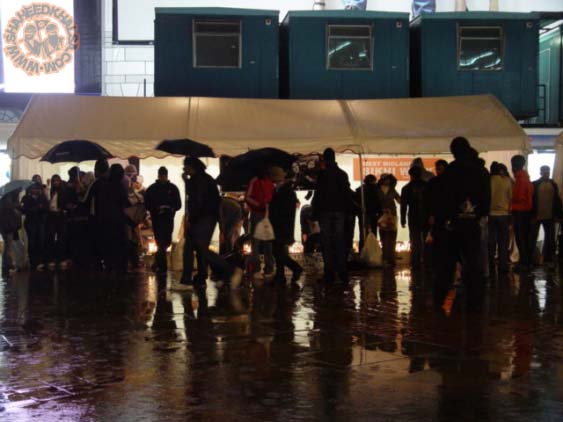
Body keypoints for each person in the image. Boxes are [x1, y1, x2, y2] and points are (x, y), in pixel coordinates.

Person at [438, 137, 490, 309]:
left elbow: (444, 198)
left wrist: (447, 217)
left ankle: (441, 299)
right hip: (472, 222)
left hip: (454, 224)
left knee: (449, 263)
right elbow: (486, 199)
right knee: (473, 261)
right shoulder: (480, 171)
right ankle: (475, 300)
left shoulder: (451, 171)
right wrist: (478, 213)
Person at [180, 157, 241, 286]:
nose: (184, 169)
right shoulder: (203, 179)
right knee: (196, 247)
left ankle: (226, 268)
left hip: (203, 218)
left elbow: (198, 201)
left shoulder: (200, 180)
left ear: (192, 167)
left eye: (186, 166)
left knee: (198, 248)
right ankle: (199, 276)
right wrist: (186, 182)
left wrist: (192, 219)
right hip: (205, 218)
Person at [312, 148, 354, 283]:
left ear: (324, 159)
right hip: (339, 211)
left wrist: (314, 214)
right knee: (339, 242)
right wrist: (349, 211)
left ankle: (329, 273)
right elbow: (347, 194)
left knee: (327, 243)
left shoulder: (322, 175)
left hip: (325, 211)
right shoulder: (342, 174)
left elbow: (318, 195)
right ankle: (342, 273)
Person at [269, 166, 303, 284]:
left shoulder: (285, 191)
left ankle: (295, 268)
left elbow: (281, 210)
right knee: (279, 251)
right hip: (282, 225)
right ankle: (280, 275)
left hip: (281, 225)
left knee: (277, 251)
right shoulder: (284, 190)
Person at [145, 166, 181, 273]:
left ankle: (158, 264)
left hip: (166, 219)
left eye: (163, 175)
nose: (163, 177)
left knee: (165, 242)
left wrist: (169, 209)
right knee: (162, 242)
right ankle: (162, 266)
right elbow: (147, 204)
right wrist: (158, 209)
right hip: (159, 219)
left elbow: (178, 204)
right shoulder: (155, 189)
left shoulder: (168, 188)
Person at [245, 165, 275, 277]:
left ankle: (264, 268)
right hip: (260, 214)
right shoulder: (260, 181)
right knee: (261, 242)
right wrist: (260, 205)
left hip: (263, 214)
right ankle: (262, 268)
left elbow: (248, 197)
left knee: (262, 242)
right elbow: (247, 197)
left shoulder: (266, 181)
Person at [531, 165, 562, 266]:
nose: (547, 173)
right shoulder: (536, 184)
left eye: (548, 172)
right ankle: (535, 258)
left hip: (548, 215)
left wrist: (558, 214)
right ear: (541, 172)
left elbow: (557, 200)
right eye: (545, 172)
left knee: (549, 238)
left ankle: (546, 258)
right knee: (534, 237)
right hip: (538, 215)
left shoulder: (552, 184)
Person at [103, 164, 131, 273]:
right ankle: (121, 267)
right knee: (121, 243)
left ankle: (110, 266)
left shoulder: (105, 185)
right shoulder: (120, 186)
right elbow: (125, 201)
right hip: (119, 219)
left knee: (110, 243)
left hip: (106, 220)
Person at [488, 162, 513, 274]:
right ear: (501, 171)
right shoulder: (507, 181)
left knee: (491, 240)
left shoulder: (488, 181)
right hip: (504, 214)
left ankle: (490, 263)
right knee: (503, 241)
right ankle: (503, 265)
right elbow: (511, 197)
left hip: (491, 214)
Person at [401, 166, 427, 270]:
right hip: (424, 216)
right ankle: (426, 262)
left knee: (415, 240)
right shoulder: (426, 186)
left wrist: (403, 219)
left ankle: (416, 262)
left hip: (413, 216)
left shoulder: (406, 188)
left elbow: (403, 206)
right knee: (425, 240)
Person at [511, 155, 534, 272]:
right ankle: (526, 262)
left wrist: (511, 200)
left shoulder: (520, 179)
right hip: (526, 211)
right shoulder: (525, 178)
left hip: (520, 211)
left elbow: (518, 197)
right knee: (524, 237)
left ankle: (524, 263)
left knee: (521, 238)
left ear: (515, 165)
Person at [21, 182, 49, 271]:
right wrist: (34, 208)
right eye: (34, 188)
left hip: (40, 222)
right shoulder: (26, 198)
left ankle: (40, 261)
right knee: (32, 242)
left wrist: (40, 208)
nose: (36, 190)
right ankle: (33, 261)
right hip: (30, 222)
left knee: (40, 241)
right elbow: (24, 210)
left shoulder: (43, 198)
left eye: (38, 188)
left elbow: (46, 208)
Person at [378, 174, 401, 268]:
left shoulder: (392, 190)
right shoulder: (378, 190)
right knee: (384, 238)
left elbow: (400, 200)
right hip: (382, 216)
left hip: (392, 215)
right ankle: (385, 259)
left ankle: (391, 259)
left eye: (389, 179)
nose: (387, 181)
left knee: (391, 237)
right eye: (386, 179)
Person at [45, 174, 67, 270]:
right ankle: (51, 259)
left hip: (60, 217)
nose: (55, 182)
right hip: (51, 217)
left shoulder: (63, 191)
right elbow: (47, 203)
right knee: (50, 238)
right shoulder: (49, 191)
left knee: (61, 238)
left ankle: (61, 258)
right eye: (54, 181)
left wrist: (61, 209)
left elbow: (65, 203)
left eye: (57, 180)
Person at [355, 174, 382, 251]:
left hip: (363, 214)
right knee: (373, 234)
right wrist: (380, 213)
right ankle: (372, 252)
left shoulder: (360, 189)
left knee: (363, 234)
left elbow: (356, 202)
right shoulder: (376, 189)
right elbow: (378, 202)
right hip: (373, 214)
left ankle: (362, 252)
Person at [0, 189, 23, 276]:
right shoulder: (8, 200)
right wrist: (17, 204)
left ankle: (7, 263)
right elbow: (11, 208)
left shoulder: (5, 200)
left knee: (8, 246)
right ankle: (7, 264)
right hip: (8, 226)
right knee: (8, 246)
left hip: (6, 226)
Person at [219, 192, 243, 257]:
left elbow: (221, 219)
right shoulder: (220, 201)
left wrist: (222, 232)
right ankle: (227, 253)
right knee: (229, 235)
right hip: (235, 210)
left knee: (227, 235)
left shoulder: (218, 204)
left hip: (235, 212)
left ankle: (226, 254)